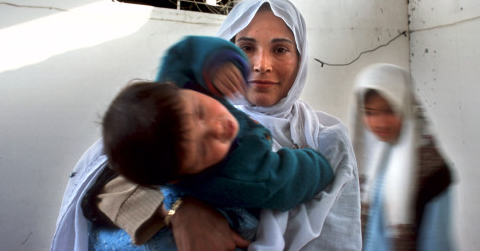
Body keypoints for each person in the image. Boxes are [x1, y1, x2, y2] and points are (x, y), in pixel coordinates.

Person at [51, 0, 362, 251]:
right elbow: (98, 188)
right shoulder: (166, 114)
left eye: (280, 49)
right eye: (246, 47)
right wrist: (178, 211)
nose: (261, 65)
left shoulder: (326, 138)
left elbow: (338, 239)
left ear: (301, 57)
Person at [102, 35, 334, 218]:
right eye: (203, 149)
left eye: (201, 111)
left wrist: (215, 62)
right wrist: (316, 160)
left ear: (175, 87)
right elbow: (289, 181)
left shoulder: (171, 99)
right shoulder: (242, 176)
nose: (218, 128)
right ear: (180, 177)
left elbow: (183, 52)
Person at [352, 63, 455, 251]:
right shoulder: (375, 160)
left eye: (389, 110)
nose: (379, 123)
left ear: (405, 107)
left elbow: (437, 243)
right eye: (370, 113)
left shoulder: (433, 172)